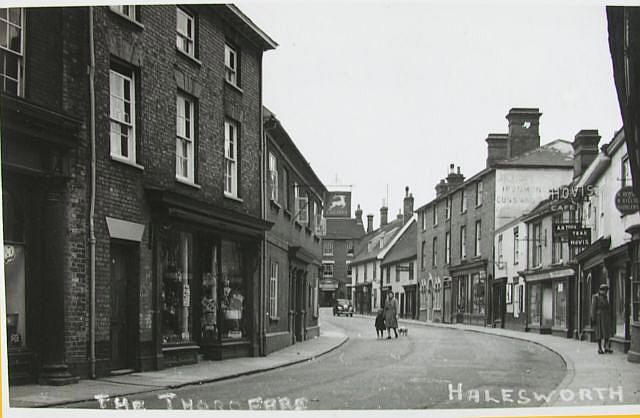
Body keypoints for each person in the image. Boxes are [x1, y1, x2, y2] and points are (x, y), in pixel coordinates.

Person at [591, 283, 613, 354]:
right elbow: (593, 308)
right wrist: (593, 318)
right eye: (605, 290)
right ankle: (599, 348)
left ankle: (606, 347)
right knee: (599, 333)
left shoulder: (605, 297)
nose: (606, 292)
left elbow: (607, 307)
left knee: (607, 333)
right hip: (599, 317)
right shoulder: (595, 297)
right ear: (601, 290)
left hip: (605, 317)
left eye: (606, 291)